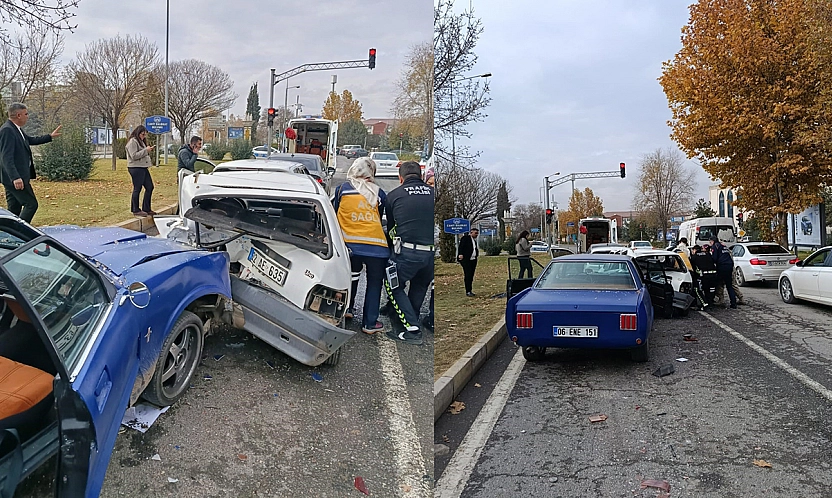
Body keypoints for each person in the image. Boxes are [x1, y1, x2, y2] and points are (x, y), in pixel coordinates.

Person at [332, 157, 389, 334]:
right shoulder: (379, 193)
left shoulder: (342, 189)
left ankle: (347, 309)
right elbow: (379, 218)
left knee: (351, 277)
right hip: (376, 246)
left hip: (350, 245)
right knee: (374, 283)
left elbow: (333, 212)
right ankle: (370, 323)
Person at [384, 161, 435, 345]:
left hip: (407, 252)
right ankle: (405, 316)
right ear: (421, 176)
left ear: (400, 178)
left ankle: (412, 329)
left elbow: (391, 228)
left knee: (392, 285)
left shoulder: (394, 195)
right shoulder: (433, 193)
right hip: (430, 254)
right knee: (420, 286)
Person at [0, 103, 61, 223]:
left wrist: (50, 136)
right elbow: (6, 157)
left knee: (14, 209)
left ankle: (10, 235)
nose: (27, 116)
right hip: (15, 179)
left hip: (13, 178)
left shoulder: (15, 129)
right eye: (26, 114)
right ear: (18, 115)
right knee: (31, 204)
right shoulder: (7, 130)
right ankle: (21, 232)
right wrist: (15, 177)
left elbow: (30, 140)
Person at [125, 125, 156, 217]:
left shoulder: (140, 141)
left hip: (143, 167)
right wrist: (146, 150)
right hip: (136, 168)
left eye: (145, 135)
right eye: (142, 134)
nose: (144, 136)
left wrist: (147, 150)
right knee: (137, 188)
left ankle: (146, 208)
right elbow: (134, 156)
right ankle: (135, 209)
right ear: (138, 133)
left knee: (149, 187)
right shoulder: (132, 142)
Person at [709, 236, 737, 308]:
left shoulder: (715, 247)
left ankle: (714, 300)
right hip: (729, 266)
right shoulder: (724, 246)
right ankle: (733, 303)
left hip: (722, 267)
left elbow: (714, 258)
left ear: (712, 241)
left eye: (710, 242)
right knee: (729, 286)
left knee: (717, 284)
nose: (710, 244)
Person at [689, 244, 717, 308]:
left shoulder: (694, 257)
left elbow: (692, 268)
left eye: (692, 250)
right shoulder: (708, 254)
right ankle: (710, 303)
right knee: (710, 290)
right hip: (713, 275)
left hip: (704, 275)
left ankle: (704, 303)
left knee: (697, 289)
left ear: (695, 250)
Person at [458, 228, 480, 297]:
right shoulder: (465, 238)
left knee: (471, 275)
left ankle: (470, 290)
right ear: (471, 232)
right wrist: (460, 254)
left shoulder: (474, 241)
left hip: (473, 260)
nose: (477, 234)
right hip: (466, 260)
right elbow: (461, 246)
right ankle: (468, 291)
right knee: (468, 274)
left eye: (477, 233)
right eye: (475, 233)